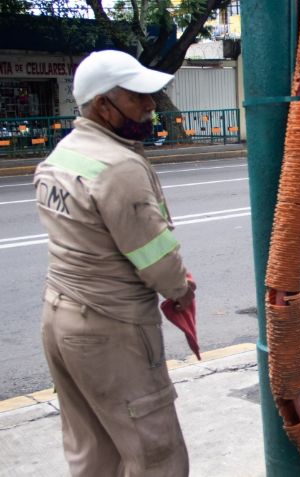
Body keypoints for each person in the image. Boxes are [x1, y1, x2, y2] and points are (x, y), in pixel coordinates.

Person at [33, 49, 195, 476]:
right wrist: (181, 288)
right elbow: (158, 263)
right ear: (104, 105)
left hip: (59, 321)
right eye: (137, 97)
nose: (150, 106)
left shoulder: (63, 155)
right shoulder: (118, 166)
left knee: (93, 453)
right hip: (112, 331)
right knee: (157, 455)